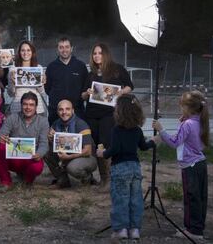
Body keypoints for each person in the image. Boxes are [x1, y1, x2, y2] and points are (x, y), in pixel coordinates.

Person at [96, 94, 155, 242]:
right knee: (136, 200)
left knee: (120, 200)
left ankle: (121, 229)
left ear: (119, 112)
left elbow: (114, 149)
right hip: (135, 168)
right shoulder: (137, 130)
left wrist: (102, 153)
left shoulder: (116, 130)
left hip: (120, 168)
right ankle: (135, 230)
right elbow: (143, 147)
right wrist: (153, 142)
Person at [152, 90, 209, 240]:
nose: (180, 110)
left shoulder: (187, 124)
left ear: (188, 108)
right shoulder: (200, 121)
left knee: (191, 199)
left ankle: (192, 231)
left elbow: (175, 142)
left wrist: (161, 130)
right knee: (200, 198)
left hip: (190, 166)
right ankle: (198, 228)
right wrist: (182, 122)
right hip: (200, 164)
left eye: (182, 107)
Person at [81, 42, 134, 192]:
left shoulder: (117, 69)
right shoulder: (90, 73)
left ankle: (110, 179)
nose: (97, 56)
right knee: (97, 144)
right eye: (94, 53)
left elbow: (130, 85)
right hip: (92, 114)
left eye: (100, 53)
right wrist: (87, 93)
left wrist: (121, 92)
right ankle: (103, 178)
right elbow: (83, 95)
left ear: (106, 54)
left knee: (106, 143)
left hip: (109, 114)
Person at [0, 92, 49, 191]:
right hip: (13, 158)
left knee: (37, 167)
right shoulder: (12, 118)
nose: (28, 107)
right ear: (21, 105)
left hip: (31, 157)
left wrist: (39, 154)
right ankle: (6, 182)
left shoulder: (43, 121)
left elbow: (44, 144)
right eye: (25, 104)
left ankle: (27, 182)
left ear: (36, 107)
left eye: (31, 105)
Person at [44, 100, 97, 188]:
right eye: (61, 110)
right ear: (57, 112)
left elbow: (88, 151)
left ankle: (88, 178)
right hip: (67, 154)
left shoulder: (81, 124)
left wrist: (67, 157)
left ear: (73, 110)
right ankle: (63, 180)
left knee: (73, 167)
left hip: (86, 157)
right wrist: (49, 138)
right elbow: (55, 145)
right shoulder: (56, 124)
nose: (64, 112)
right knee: (45, 150)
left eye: (67, 109)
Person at [45, 37, 88, 125]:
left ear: (71, 48)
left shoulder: (80, 66)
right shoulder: (51, 67)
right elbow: (47, 89)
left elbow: (85, 87)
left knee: (77, 138)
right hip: (55, 111)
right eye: (61, 47)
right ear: (57, 49)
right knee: (55, 138)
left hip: (77, 111)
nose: (64, 50)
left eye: (67, 47)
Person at [8, 40, 47, 115]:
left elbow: (42, 92)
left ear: (32, 52)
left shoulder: (39, 68)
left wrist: (41, 83)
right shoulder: (13, 69)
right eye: (23, 50)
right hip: (18, 107)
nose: (26, 53)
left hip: (37, 109)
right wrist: (13, 83)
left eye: (28, 50)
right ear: (19, 52)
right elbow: (11, 94)